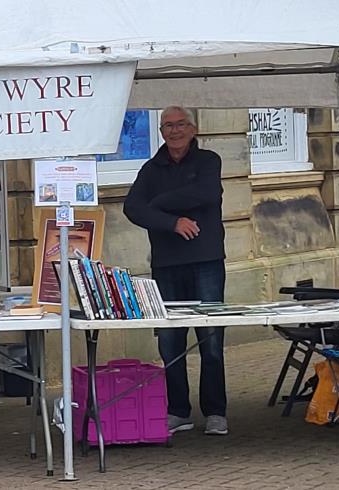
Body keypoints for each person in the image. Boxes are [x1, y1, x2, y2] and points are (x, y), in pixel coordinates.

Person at [123, 106, 228, 436]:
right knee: (170, 341)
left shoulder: (208, 161)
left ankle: (216, 411)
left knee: (210, 339)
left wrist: (160, 202)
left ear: (192, 128)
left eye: (181, 124)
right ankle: (178, 410)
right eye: (168, 125)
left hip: (207, 260)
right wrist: (171, 222)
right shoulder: (151, 168)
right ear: (161, 131)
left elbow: (208, 193)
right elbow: (132, 208)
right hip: (167, 265)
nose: (175, 131)